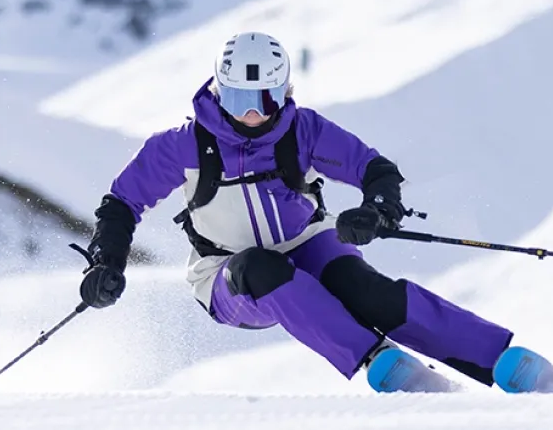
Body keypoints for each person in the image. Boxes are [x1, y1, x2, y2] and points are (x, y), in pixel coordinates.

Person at [77, 31, 514, 391]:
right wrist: (107, 261)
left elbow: (375, 170)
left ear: (284, 91)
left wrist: (377, 210)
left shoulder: (302, 130)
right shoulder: (182, 146)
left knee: (362, 289)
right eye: (235, 99)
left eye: (264, 100)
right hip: (227, 273)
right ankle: (384, 365)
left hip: (307, 244)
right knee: (260, 267)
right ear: (216, 89)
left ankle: (502, 360)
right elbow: (121, 203)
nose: (250, 115)